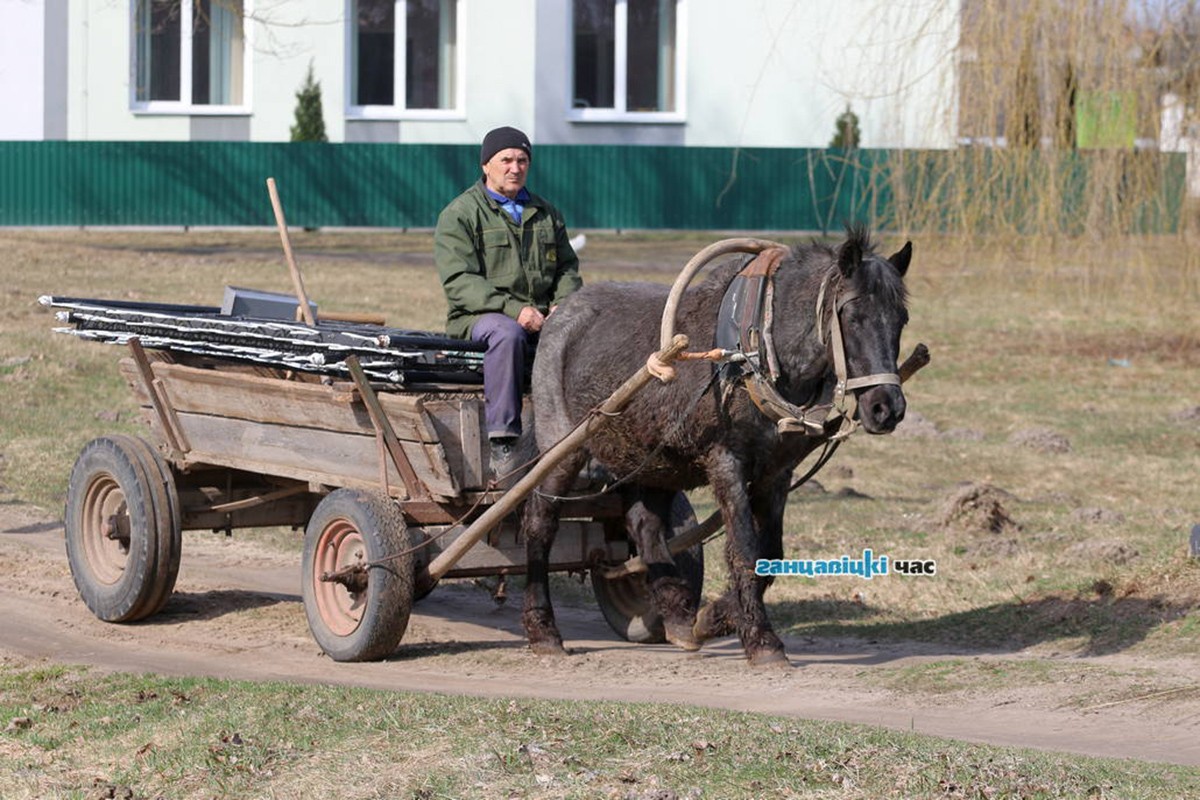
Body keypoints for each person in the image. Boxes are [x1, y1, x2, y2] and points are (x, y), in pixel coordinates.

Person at [434, 126, 582, 476]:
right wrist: (515, 311)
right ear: (486, 165)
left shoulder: (546, 213)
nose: (515, 168)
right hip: (479, 319)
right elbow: (460, 281)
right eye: (506, 160)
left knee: (586, 331)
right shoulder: (461, 214)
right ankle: (504, 441)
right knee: (507, 334)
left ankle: (578, 438)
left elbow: (568, 268)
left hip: (543, 316)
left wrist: (564, 303)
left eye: (522, 160)